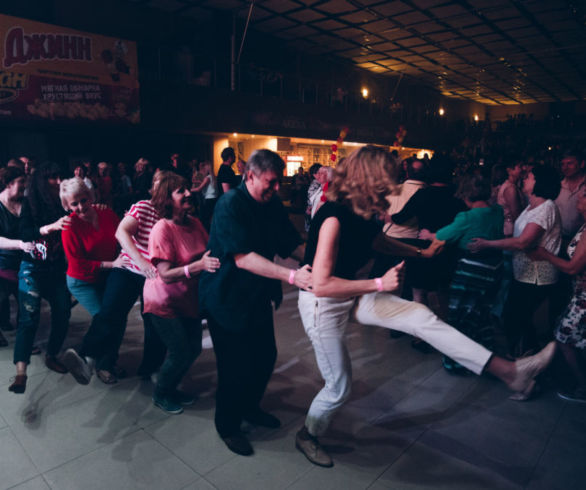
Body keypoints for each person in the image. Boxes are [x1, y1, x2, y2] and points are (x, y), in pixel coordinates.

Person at [294, 146, 556, 468]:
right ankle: (308, 434)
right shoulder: (334, 217)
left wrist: (420, 252)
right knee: (339, 386)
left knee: (421, 315)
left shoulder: (360, 211)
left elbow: (378, 241)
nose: (390, 189)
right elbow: (321, 284)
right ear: (369, 179)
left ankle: (510, 372)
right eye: (386, 182)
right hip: (323, 304)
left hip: (349, 294)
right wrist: (378, 285)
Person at [199, 149, 312, 456]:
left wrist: (319, 262)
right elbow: (243, 258)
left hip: (257, 295)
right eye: (271, 182)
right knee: (234, 366)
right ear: (249, 176)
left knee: (264, 357)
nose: (277, 190)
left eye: (279, 183)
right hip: (226, 299)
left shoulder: (271, 203)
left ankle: (249, 407)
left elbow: (289, 242)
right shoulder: (229, 204)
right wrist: (292, 277)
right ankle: (228, 426)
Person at [142, 172, 219, 413]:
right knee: (180, 352)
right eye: (180, 191)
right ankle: (161, 393)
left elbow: (210, 252)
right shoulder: (161, 229)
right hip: (163, 302)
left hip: (189, 300)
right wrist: (198, 267)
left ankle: (171, 387)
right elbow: (164, 273)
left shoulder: (194, 222)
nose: (188, 193)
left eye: (187, 188)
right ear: (166, 200)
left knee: (193, 349)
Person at [469, 165, 562, 358]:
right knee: (517, 317)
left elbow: (524, 241)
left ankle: (530, 362)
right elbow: (520, 235)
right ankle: (526, 360)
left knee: (517, 318)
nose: (525, 179)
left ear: (540, 182)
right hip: (524, 272)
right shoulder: (531, 204)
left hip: (537, 276)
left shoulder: (546, 207)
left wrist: (488, 243)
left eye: (530, 177)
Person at [421, 173, 504, 373]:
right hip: (494, 268)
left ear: (467, 196)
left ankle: (457, 363)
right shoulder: (497, 211)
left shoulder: (466, 217)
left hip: (472, 269)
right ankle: (486, 355)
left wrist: (428, 234)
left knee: (460, 315)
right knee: (482, 314)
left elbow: (444, 236)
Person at [9, 162, 71, 394]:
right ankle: (21, 373)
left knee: (63, 311)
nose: (57, 181)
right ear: (41, 183)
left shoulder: (61, 203)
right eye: (52, 178)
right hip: (32, 268)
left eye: (58, 177)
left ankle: (52, 354)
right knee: (29, 316)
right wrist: (50, 227)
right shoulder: (29, 203)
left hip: (55, 269)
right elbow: (25, 234)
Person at [528, 187, 586, 402]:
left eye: (582, 196)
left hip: (584, 297)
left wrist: (544, 254)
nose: (577, 199)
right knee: (568, 334)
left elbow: (573, 268)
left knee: (565, 335)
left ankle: (582, 387)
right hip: (579, 292)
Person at [60, 178, 122, 318]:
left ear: (90, 197)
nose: (81, 207)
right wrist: (112, 264)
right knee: (103, 319)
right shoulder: (69, 226)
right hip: (82, 281)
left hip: (105, 275)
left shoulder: (106, 213)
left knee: (116, 316)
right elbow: (77, 264)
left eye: (83, 200)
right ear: (67, 206)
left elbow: (123, 235)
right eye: (74, 204)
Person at [0, 167, 34, 348]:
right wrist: (20, 244)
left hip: (24, 261)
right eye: (21, 182)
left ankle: (25, 340)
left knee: (26, 304)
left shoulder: (26, 203)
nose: (25, 185)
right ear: (8, 183)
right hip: (3, 263)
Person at [191, 161, 218, 231]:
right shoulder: (213, 177)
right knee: (211, 218)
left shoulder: (207, 178)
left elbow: (198, 189)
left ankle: (206, 234)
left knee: (204, 219)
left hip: (208, 199)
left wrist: (189, 189)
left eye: (204, 169)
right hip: (214, 198)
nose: (202, 171)